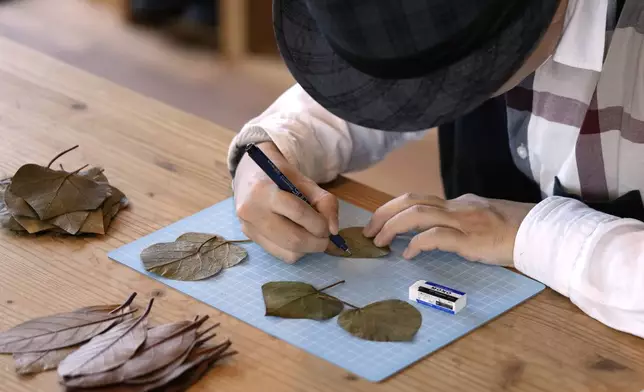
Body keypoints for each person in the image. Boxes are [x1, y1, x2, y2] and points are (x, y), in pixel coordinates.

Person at [227, 0, 644, 338]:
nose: (411, 94)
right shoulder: (446, 21)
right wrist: (270, 148)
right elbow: (382, 80)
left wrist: (532, 234)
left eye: (442, 81)